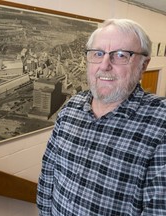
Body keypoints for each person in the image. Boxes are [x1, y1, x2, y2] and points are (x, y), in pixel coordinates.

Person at [37, 18, 166, 215]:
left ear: (143, 65)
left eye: (121, 55)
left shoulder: (161, 124)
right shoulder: (71, 107)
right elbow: (48, 173)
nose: (104, 65)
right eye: (98, 54)